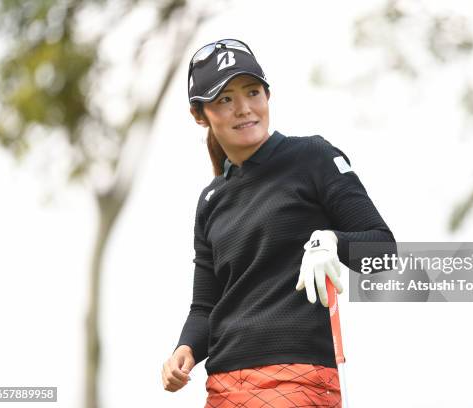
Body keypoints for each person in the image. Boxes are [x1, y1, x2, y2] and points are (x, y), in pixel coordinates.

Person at [161, 39, 396, 407]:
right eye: (225, 99)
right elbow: (205, 306)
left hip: (297, 378)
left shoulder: (313, 158)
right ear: (199, 115)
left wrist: (333, 241)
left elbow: (383, 253)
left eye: (252, 92)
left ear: (267, 95)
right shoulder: (210, 200)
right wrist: (185, 348)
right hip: (223, 385)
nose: (244, 109)